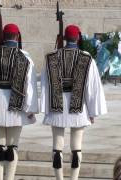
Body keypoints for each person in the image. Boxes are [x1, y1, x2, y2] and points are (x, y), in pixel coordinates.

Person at [41, 25, 107, 180]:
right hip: (79, 108)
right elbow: (92, 87)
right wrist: (92, 112)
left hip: (57, 106)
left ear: (64, 38)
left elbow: (45, 84)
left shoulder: (51, 57)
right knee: (76, 147)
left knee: (57, 147)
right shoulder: (86, 57)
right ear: (78, 38)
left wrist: (46, 108)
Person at [0, 23, 38, 180]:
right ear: (17, 36)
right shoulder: (24, 57)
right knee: (12, 146)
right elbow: (29, 85)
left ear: (3, 36)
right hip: (16, 101)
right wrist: (30, 108)